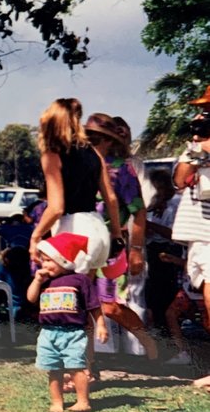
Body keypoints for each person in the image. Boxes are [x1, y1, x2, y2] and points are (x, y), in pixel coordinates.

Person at [85, 113, 158, 360]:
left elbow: (138, 212)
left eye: (97, 138)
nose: (91, 142)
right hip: (82, 245)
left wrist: (136, 249)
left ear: (109, 141)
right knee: (83, 303)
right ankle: (87, 366)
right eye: (88, 137)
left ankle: (148, 343)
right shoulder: (80, 167)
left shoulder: (122, 170)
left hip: (112, 247)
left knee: (112, 306)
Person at [29, 98, 124, 274]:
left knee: (65, 294)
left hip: (72, 230)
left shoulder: (52, 155)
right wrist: (116, 234)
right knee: (87, 295)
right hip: (97, 228)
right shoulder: (92, 151)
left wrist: (36, 236)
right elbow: (111, 198)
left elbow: (56, 208)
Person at [26, 232, 109, 412]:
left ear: (63, 260)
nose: (45, 264)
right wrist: (37, 280)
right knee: (53, 368)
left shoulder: (80, 280)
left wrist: (101, 325)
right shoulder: (45, 281)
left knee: (76, 367)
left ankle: (83, 401)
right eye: (43, 260)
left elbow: (93, 305)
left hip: (73, 332)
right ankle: (57, 401)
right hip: (48, 332)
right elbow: (31, 298)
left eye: (49, 260)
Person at [170, 85, 210, 335]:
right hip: (198, 231)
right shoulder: (197, 146)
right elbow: (179, 180)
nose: (204, 116)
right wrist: (198, 144)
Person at [144, 168, 184, 332]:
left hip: (170, 250)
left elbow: (175, 233)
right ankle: (158, 325)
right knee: (152, 291)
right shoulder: (151, 206)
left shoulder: (176, 204)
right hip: (152, 249)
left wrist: (151, 226)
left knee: (167, 291)